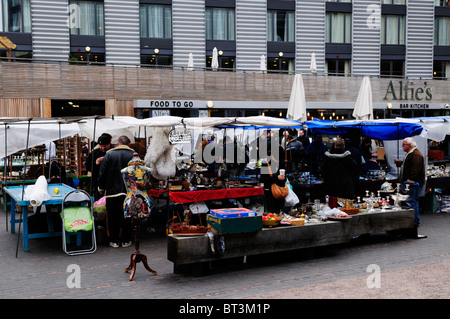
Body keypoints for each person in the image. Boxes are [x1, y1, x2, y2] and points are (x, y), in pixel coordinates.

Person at [98, 135, 135, 248]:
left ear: (118, 143)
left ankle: (114, 240)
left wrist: (101, 188)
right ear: (128, 145)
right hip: (129, 192)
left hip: (112, 192)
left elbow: (102, 173)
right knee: (127, 216)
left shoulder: (109, 154)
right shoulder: (134, 155)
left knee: (113, 217)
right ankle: (126, 240)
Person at [394, 137, 425, 227]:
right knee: (412, 201)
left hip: (413, 183)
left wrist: (409, 182)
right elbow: (408, 166)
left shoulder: (416, 155)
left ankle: (415, 222)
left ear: (409, 145)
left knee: (412, 201)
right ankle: (414, 221)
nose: (402, 146)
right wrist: (400, 163)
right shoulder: (411, 153)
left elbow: (415, 170)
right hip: (411, 182)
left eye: (403, 144)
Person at [86, 133, 114, 200]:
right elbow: (88, 166)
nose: (103, 148)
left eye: (105, 146)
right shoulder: (94, 153)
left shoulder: (114, 152)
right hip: (97, 183)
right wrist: (96, 164)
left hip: (111, 183)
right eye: (101, 146)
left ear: (109, 144)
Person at [259, 145, 286, 214]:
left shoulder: (281, 163)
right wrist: (277, 178)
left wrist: (283, 178)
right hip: (270, 192)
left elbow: (284, 178)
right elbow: (263, 179)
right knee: (271, 212)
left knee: (279, 212)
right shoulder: (266, 163)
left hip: (280, 192)